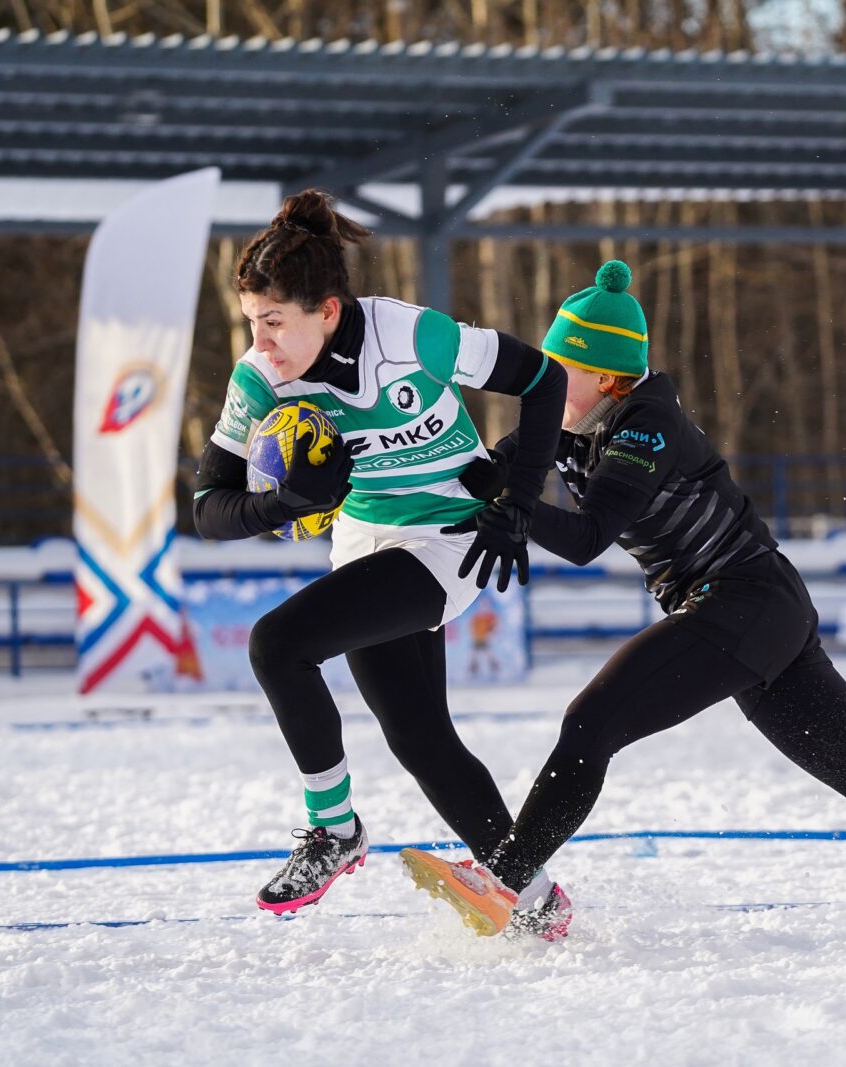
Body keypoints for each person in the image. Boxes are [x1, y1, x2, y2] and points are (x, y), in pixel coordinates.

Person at [401, 260, 846, 937]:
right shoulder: (566, 422)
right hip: (750, 610)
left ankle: (509, 883)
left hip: (742, 600)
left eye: (562, 368)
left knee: (591, 720)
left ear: (609, 377)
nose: (548, 383)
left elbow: (590, 535)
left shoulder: (645, 423)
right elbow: (473, 473)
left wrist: (498, 500)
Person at [192, 189, 572, 933]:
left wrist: (518, 502)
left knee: (277, 644)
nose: (260, 341)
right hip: (365, 540)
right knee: (420, 737)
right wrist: (283, 504)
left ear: (328, 309)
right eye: (251, 322)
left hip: (449, 538)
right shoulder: (261, 377)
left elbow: (544, 380)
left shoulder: (410, 335)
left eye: (273, 322)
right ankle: (536, 900)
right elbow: (209, 507)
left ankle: (333, 829)